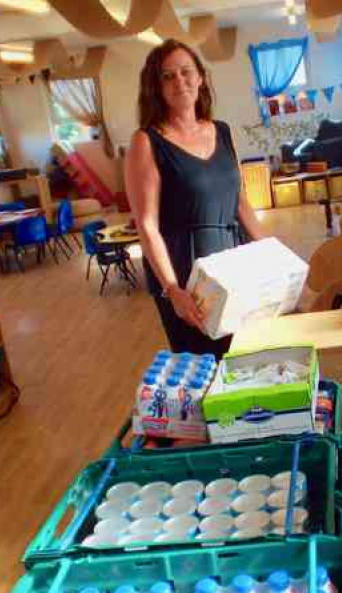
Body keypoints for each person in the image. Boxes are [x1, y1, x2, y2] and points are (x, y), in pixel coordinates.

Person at [125, 39, 267, 358]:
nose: (179, 81)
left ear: (200, 77)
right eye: (167, 76)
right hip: (187, 275)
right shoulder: (146, 142)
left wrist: (273, 251)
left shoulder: (222, 130)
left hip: (235, 262)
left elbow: (240, 201)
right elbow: (147, 226)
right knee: (205, 367)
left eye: (186, 72)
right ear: (156, 87)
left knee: (247, 356)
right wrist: (172, 290)